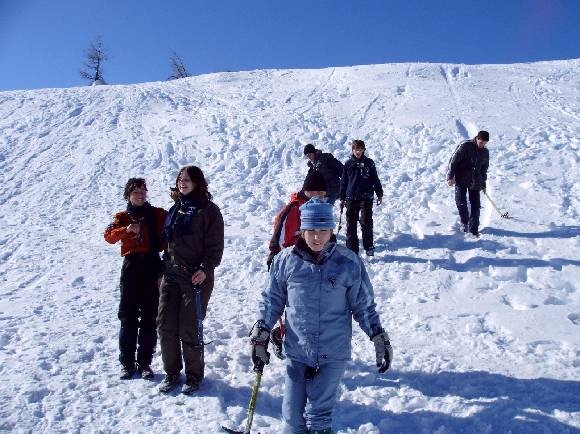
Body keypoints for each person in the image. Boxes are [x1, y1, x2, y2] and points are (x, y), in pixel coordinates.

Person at [250, 198, 393, 433]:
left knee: (319, 415)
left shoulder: (348, 262)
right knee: (292, 419)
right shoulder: (286, 261)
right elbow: (272, 300)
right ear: (302, 230)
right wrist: (262, 332)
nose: (317, 237)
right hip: (298, 350)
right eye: (311, 231)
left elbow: (363, 305)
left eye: (323, 230)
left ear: (331, 230)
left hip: (333, 351)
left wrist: (378, 335)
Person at [157, 166, 224, 394]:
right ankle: (172, 373)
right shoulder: (177, 208)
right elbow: (169, 243)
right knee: (165, 324)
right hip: (171, 273)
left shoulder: (208, 210)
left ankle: (194, 376)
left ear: (197, 182)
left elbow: (215, 246)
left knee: (189, 326)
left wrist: (205, 268)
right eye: (180, 179)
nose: (182, 183)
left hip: (196, 277)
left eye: (187, 179)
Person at [104, 178, 167, 380]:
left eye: (143, 191)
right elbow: (109, 236)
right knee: (128, 317)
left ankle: (145, 363)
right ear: (128, 195)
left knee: (149, 317)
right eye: (135, 192)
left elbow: (173, 221)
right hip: (131, 267)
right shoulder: (122, 217)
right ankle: (127, 363)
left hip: (152, 265)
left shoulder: (157, 214)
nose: (140, 195)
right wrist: (126, 230)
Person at [266, 170, 328, 271]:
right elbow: (278, 244)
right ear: (309, 191)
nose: (322, 197)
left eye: (323, 194)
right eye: (319, 193)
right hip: (293, 264)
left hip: (312, 263)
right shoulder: (293, 211)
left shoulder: (319, 209)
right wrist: (277, 268)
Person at [339, 139, 383, 256]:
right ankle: (352, 248)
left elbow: (375, 179)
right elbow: (344, 182)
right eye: (356, 149)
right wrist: (342, 197)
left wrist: (379, 193)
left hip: (366, 197)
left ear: (363, 150)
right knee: (351, 224)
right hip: (351, 198)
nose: (358, 151)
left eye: (360, 149)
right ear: (352, 150)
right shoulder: (348, 164)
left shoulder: (369, 163)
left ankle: (369, 246)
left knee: (366, 222)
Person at [447, 130, 490, 237]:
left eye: (485, 143)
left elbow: (484, 170)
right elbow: (453, 161)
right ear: (477, 138)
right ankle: (464, 222)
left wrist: (483, 184)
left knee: (476, 206)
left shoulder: (485, 152)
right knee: (460, 201)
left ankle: (473, 230)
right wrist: (450, 176)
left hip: (476, 181)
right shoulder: (466, 146)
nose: (482, 145)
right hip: (461, 178)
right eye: (481, 142)